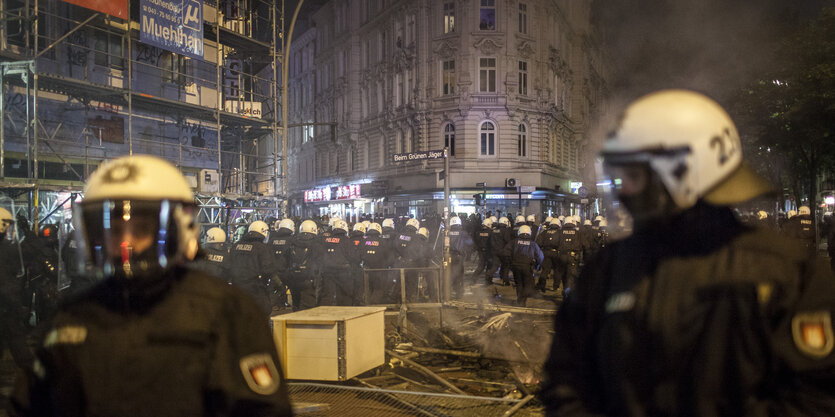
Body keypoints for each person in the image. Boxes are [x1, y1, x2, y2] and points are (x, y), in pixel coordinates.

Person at [541, 89, 835, 416]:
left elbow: (817, 397)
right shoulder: (607, 268)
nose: (622, 191)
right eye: (618, 177)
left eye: (633, 177)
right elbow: (565, 383)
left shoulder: (789, 272)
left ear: (685, 173)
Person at [11, 154, 292, 416]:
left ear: (174, 232)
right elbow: (29, 404)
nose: (126, 242)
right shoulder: (74, 315)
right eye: (114, 229)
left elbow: (263, 408)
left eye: (142, 229)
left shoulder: (225, 310)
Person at [0, 207, 33, 369]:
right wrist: (18, 307)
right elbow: (8, 284)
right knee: (20, 350)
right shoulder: (9, 249)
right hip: (7, 309)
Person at [227, 220, 281, 315]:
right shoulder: (263, 248)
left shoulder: (235, 246)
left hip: (237, 287)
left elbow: (229, 265)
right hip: (256, 289)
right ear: (263, 231)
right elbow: (268, 269)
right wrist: (279, 284)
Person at [505, 225, 544, 307]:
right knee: (528, 285)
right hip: (527, 267)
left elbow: (505, 252)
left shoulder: (513, 242)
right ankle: (522, 300)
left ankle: (520, 301)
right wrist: (537, 266)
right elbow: (540, 256)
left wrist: (509, 263)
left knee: (519, 284)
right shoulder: (533, 244)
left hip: (515, 266)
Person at [287, 219, 321, 311]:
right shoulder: (317, 243)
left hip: (294, 278)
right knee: (308, 307)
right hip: (309, 279)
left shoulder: (292, 242)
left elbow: (286, 260)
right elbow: (320, 261)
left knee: (296, 304)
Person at [448, 216, 474, 298]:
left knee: (449, 273)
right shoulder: (463, 233)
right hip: (459, 257)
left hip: (448, 256)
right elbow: (470, 242)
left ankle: (447, 291)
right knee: (458, 274)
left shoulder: (447, 232)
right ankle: (458, 293)